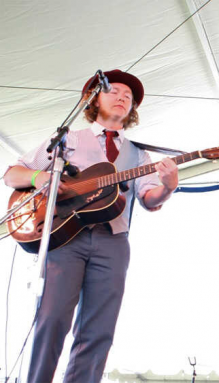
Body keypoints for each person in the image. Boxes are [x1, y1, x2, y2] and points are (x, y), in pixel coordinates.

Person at [3, 69, 179, 383]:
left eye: (129, 97)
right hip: (64, 238)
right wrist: (39, 177)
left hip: (113, 241)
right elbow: (12, 175)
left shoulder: (139, 154)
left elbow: (150, 199)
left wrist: (167, 186)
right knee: (52, 318)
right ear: (94, 99)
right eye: (115, 91)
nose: (123, 97)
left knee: (99, 329)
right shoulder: (67, 139)